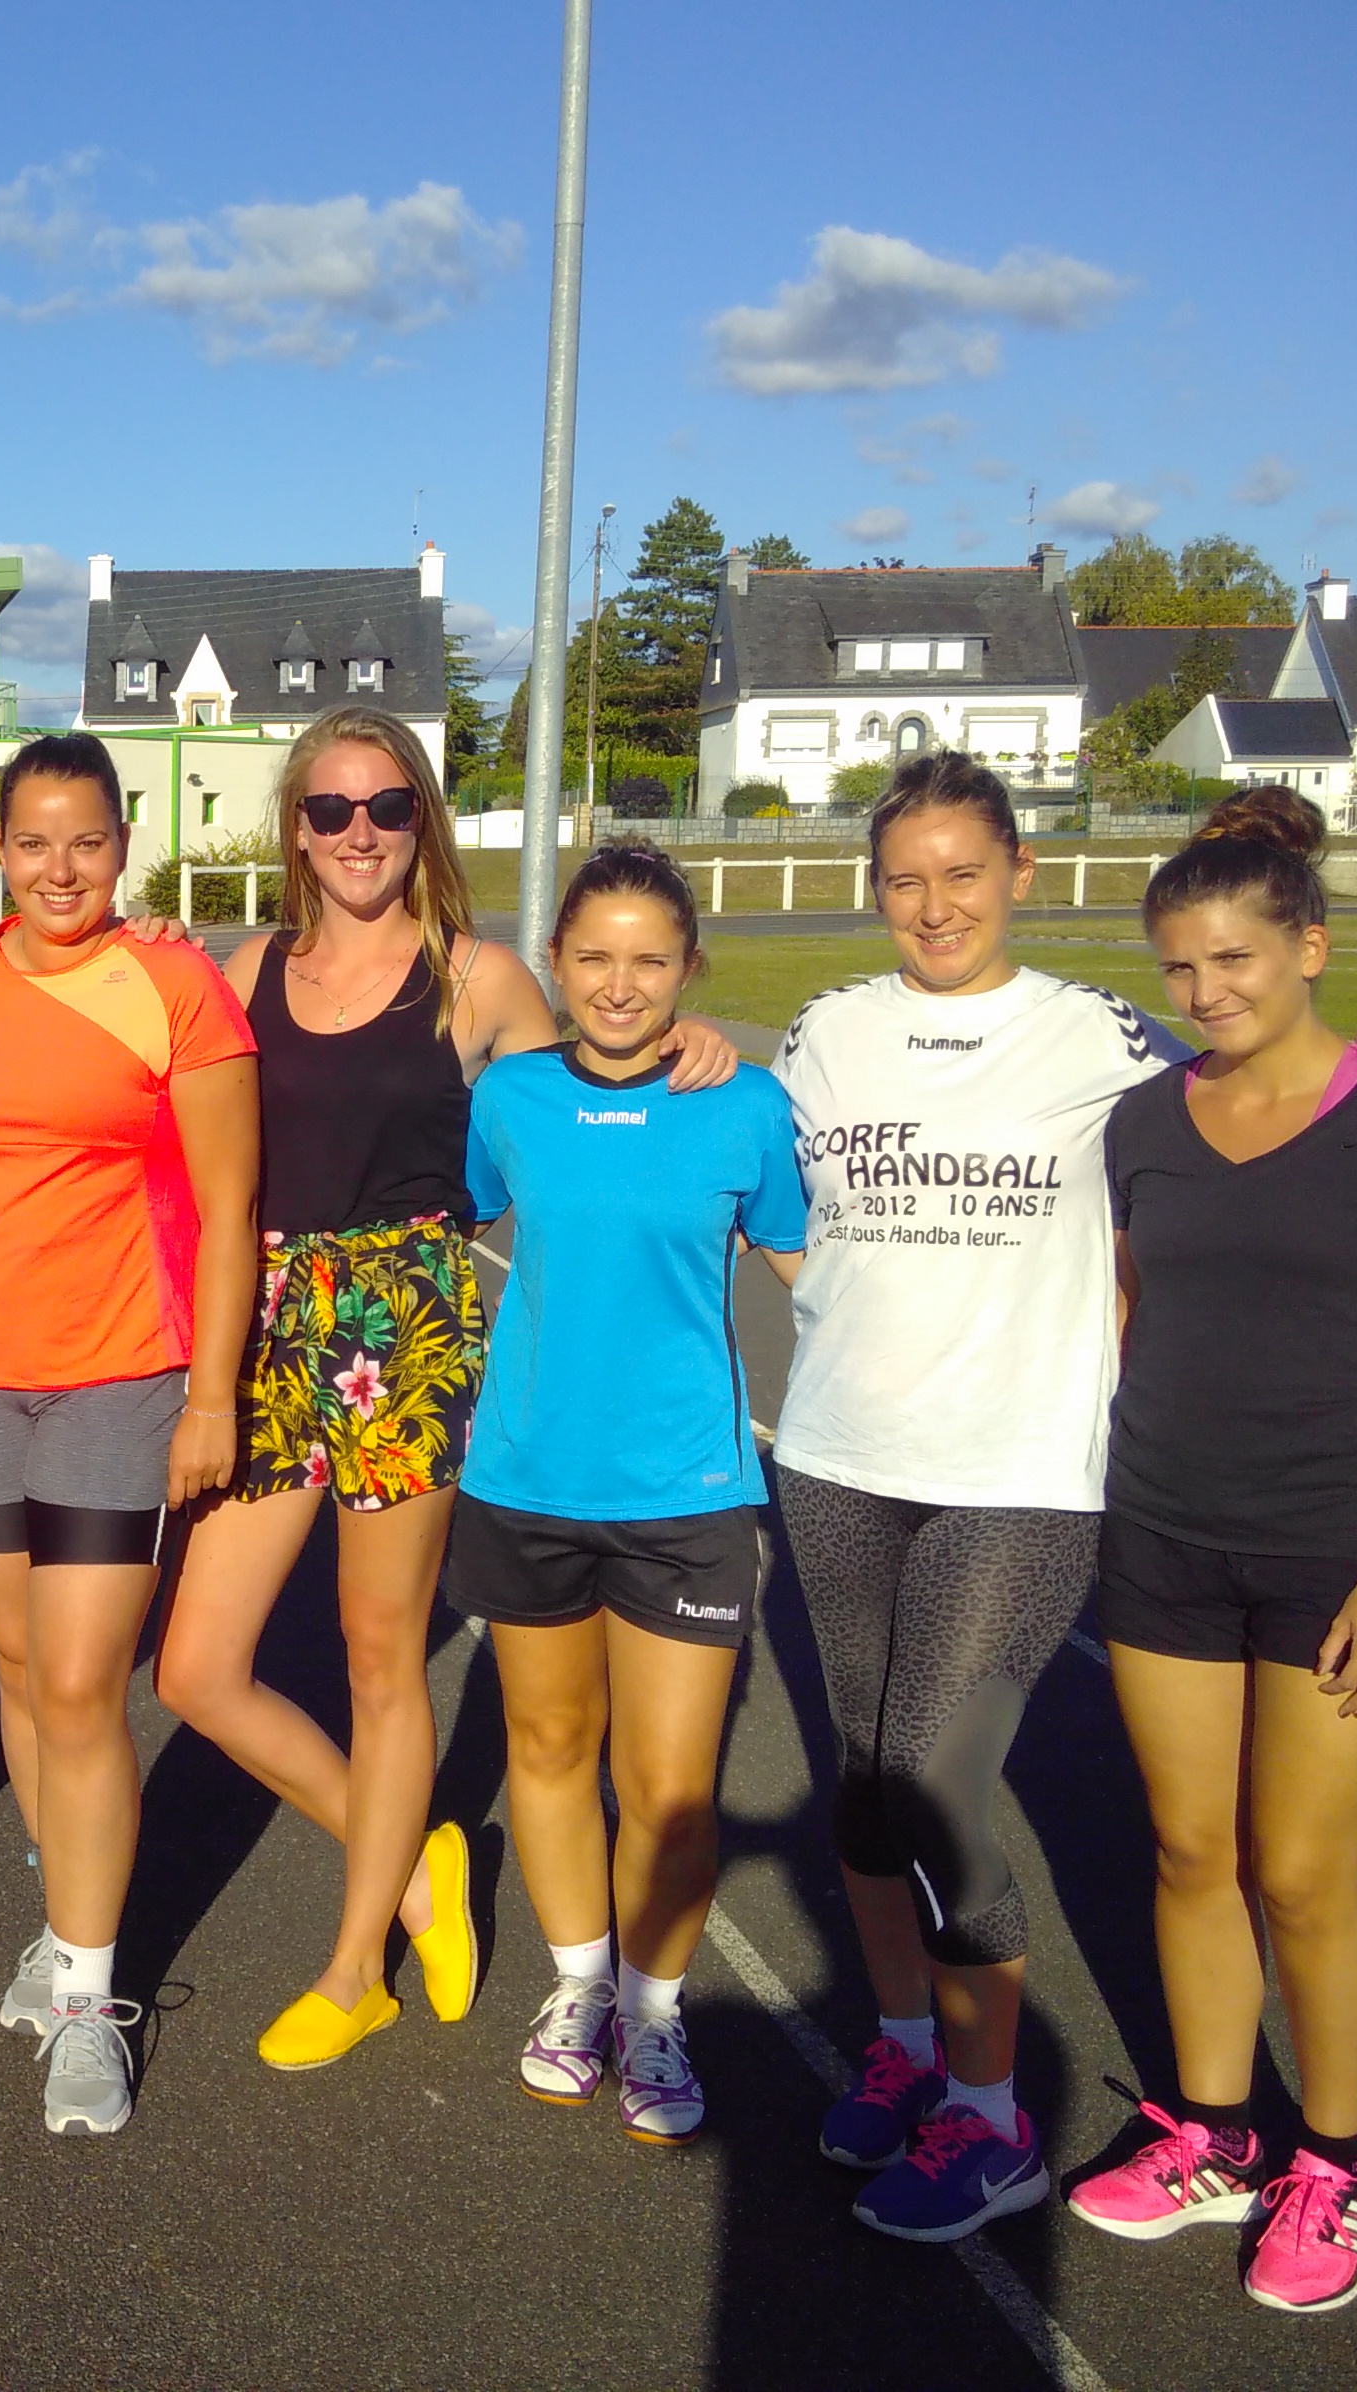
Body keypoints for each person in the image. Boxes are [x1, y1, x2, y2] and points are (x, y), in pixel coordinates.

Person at [0, 710, 737, 2071]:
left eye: (388, 807)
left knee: (378, 1654)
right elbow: (109, 1023)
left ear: (422, 820)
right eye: (330, 809)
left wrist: (683, 1044)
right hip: (266, 1321)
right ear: (295, 829)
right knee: (195, 1668)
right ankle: (412, 1859)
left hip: (403, 1328)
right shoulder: (242, 968)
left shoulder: (477, 979)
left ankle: (358, 1967)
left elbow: (587, 1104)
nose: (360, 832)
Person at [769, 749, 1357, 2243]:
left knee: (938, 1786)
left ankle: (992, 2119)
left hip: (1020, 1474)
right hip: (835, 1457)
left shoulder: (1106, 1038)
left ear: (1020, 871)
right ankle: (906, 2043)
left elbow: (1264, 1079)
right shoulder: (823, 1033)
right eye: (904, 880)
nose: (935, 905)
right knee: (866, 1792)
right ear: (872, 891)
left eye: (964, 873)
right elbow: (755, 1175)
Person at [1065, 789, 1357, 2314]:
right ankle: (1216, 2135)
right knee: (1191, 1853)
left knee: (1303, 1876)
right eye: (1181, 966)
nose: (1208, 989)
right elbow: (1129, 1311)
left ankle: (1337, 2162)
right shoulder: (1140, 1121)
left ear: (1310, 945)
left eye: (1236, 958)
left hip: (1335, 1552)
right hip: (1165, 1533)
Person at [0, 731, 261, 2136]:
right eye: (34, 842)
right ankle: (66, 1926)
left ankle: (94, 1997)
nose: (61, 868)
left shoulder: (172, 982)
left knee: (86, 1685)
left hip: (120, 1376)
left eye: (88, 841)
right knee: (22, 1670)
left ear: (124, 845)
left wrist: (212, 1395)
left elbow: (229, 1209)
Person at [446, 844, 805, 2144]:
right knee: (549, 1751)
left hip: (686, 1494)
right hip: (527, 1479)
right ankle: (581, 1985)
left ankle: (656, 2012)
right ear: (554, 959)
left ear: (689, 968)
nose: (619, 982)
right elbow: (456, 1223)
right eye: (594, 955)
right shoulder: (511, 1098)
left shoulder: (745, 1105)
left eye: (650, 959)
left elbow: (817, 1275)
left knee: (670, 1786)